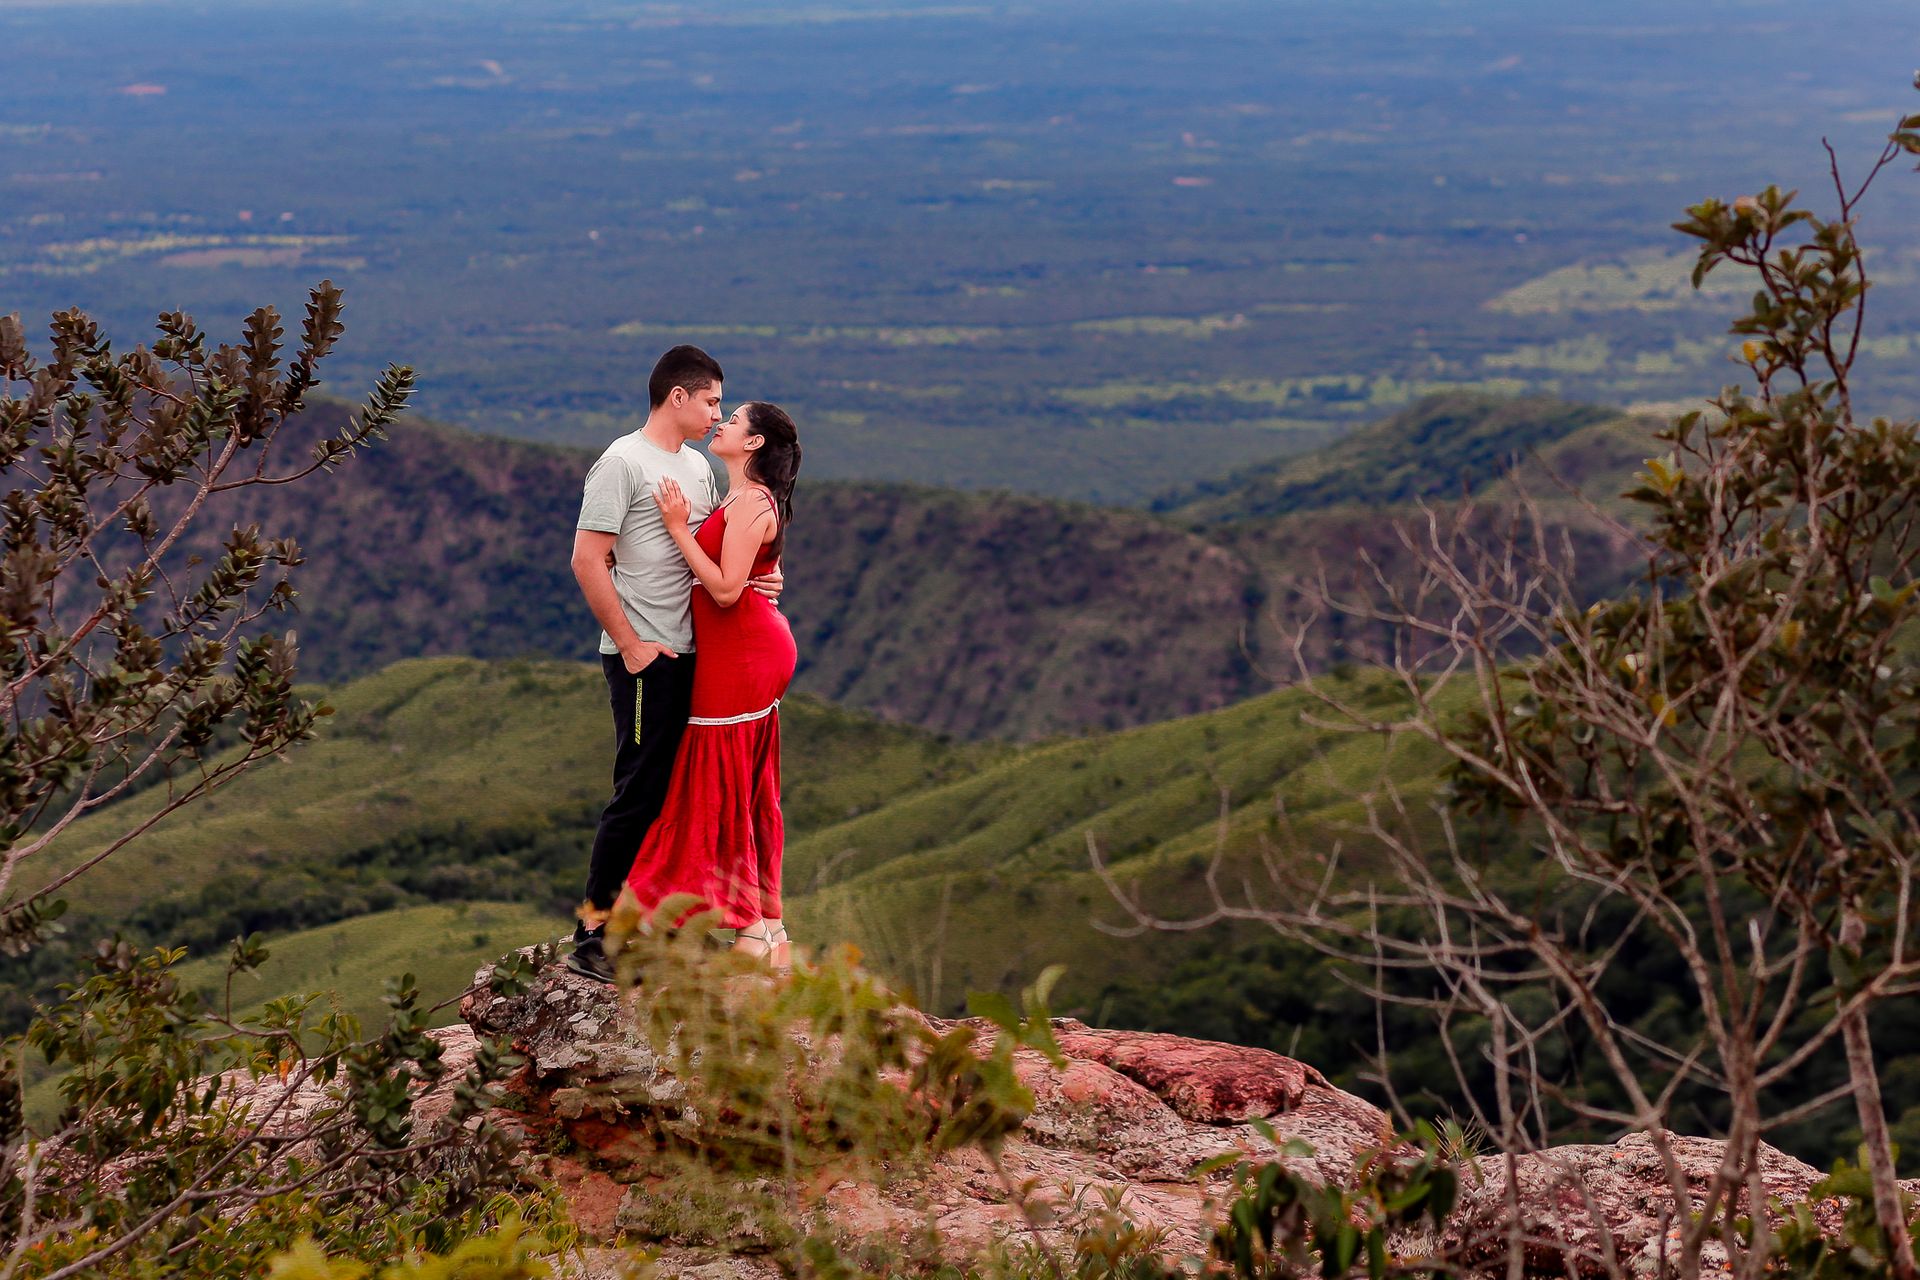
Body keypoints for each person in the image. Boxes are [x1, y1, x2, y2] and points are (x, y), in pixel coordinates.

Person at [567, 345, 781, 982]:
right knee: (638, 793)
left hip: (697, 658)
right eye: (712, 400)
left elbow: (718, 555)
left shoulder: (696, 468)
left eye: (724, 405)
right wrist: (631, 646)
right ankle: (594, 934)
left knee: (677, 797)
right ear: (678, 396)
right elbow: (586, 560)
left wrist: (761, 582)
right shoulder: (621, 462)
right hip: (646, 657)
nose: (717, 413)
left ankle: (651, 926)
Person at [624, 401, 801, 967]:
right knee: (742, 783)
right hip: (744, 648)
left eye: (735, 420)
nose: (722, 422)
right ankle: (768, 928)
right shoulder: (740, 496)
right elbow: (747, 571)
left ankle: (747, 928)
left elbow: (725, 590)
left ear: (752, 444)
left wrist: (677, 528)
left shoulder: (750, 500)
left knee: (718, 774)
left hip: (744, 653)